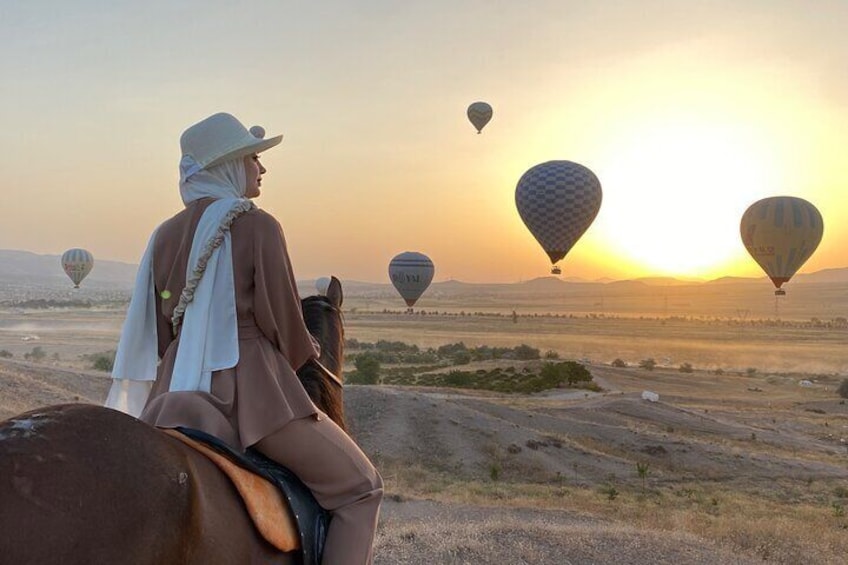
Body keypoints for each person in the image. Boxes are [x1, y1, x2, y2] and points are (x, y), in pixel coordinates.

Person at [105, 112, 383, 564]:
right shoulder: (258, 225)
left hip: (174, 392)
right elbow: (286, 328)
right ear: (231, 165)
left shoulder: (163, 236)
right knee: (361, 490)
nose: (262, 168)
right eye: (255, 158)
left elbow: (159, 333)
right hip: (252, 394)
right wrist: (307, 350)